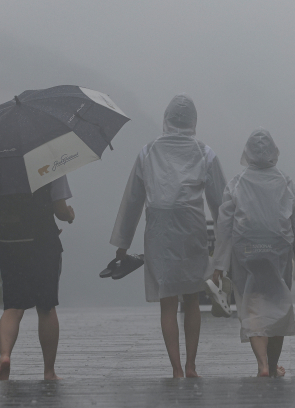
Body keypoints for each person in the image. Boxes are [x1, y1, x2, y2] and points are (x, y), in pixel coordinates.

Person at [110, 93, 226, 378]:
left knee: (168, 301)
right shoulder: (205, 153)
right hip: (191, 227)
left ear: (165, 120)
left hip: (159, 230)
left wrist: (122, 245)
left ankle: (175, 368)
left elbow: (132, 201)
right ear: (193, 122)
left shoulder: (147, 152)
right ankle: (191, 365)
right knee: (191, 298)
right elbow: (221, 204)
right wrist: (225, 250)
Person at [210, 129, 295, 377]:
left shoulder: (237, 183)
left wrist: (219, 265)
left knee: (251, 304)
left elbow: (224, 226)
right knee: (277, 303)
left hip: (246, 251)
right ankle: (272, 365)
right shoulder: (287, 183)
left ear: (247, 153)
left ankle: (261, 364)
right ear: (274, 153)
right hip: (278, 251)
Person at [0, 175, 75, 380]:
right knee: (46, 307)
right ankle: (49, 371)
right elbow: (60, 209)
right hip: (43, 244)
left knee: (13, 306)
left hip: (10, 245)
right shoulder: (52, 163)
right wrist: (69, 215)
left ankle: (5, 356)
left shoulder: (2, 165)